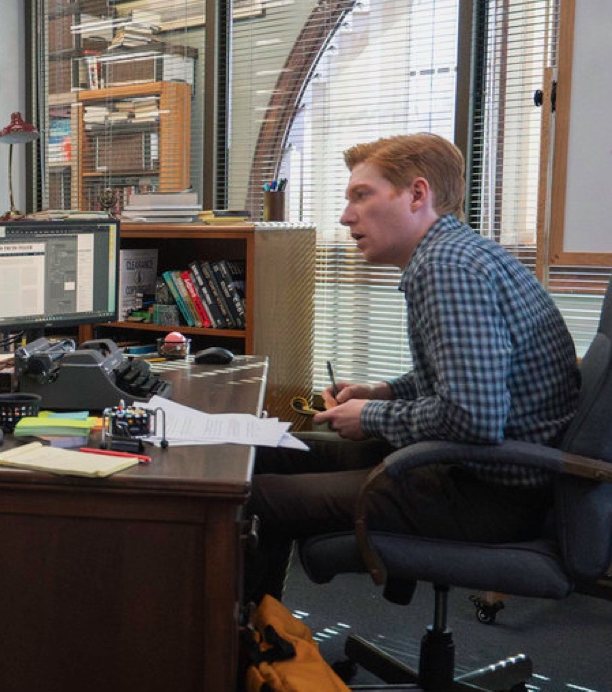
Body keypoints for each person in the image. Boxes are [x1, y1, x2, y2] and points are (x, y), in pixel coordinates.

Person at [244, 133, 580, 603]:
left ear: (417, 194)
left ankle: (239, 640)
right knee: (269, 452)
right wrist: (384, 392)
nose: (345, 216)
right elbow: (466, 377)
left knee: (250, 496)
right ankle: (258, 626)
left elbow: (475, 417)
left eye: (362, 196)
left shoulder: (447, 269)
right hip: (473, 467)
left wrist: (370, 416)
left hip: (488, 492)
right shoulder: (458, 254)